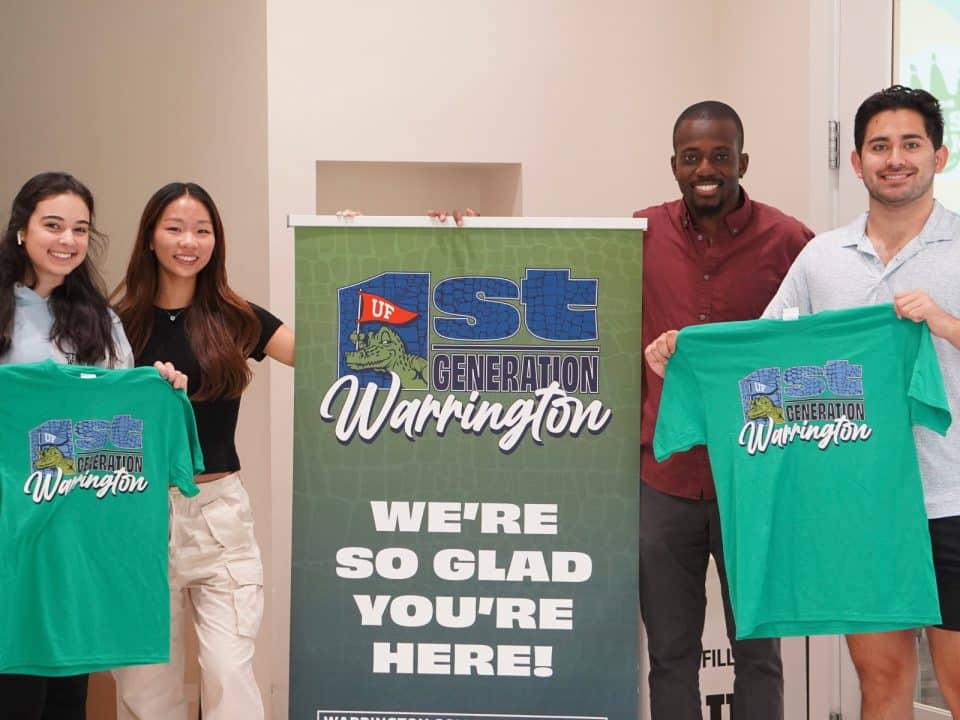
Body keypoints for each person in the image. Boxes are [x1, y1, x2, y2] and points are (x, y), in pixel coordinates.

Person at [761, 85, 960, 720]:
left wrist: (946, 323)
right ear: (856, 161)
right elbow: (770, 354)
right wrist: (691, 349)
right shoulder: (821, 257)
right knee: (881, 682)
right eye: (879, 146)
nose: (894, 158)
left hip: (953, 500)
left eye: (910, 144)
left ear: (939, 156)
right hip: (860, 507)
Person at [638, 101, 813, 720]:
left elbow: (819, 340)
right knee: (670, 654)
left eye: (719, 155)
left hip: (758, 481)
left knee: (760, 651)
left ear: (742, 160)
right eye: (692, 157)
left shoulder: (790, 240)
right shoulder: (640, 233)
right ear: (675, 165)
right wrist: (463, 232)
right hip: (664, 479)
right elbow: (564, 276)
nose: (705, 168)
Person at [0, 171, 185, 720]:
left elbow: (114, 421)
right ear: (21, 231)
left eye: (80, 229)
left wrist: (160, 389)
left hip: (77, 528)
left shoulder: (99, 321)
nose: (67, 241)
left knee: (68, 683)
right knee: (15, 681)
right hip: (11, 529)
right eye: (53, 225)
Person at [111, 182, 294, 720]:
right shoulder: (114, 325)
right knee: (146, 690)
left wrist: (348, 243)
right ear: (149, 237)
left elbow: (332, 352)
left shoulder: (239, 318)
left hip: (219, 518)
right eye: (174, 228)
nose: (189, 241)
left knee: (229, 676)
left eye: (202, 230)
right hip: (136, 515)